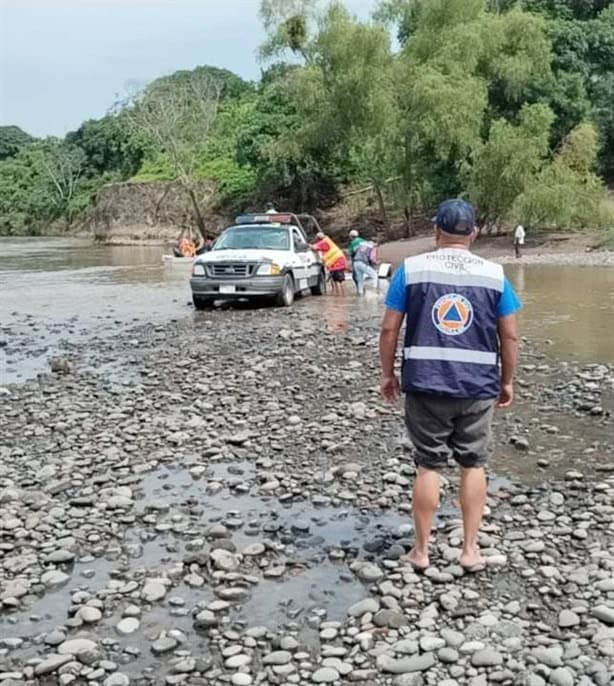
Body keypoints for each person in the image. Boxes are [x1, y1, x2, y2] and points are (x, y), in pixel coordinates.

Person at [379, 199, 521, 573]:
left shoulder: (411, 270)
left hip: (425, 383)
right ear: (473, 233)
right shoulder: (494, 274)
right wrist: (507, 380)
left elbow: (390, 327)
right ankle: (470, 550)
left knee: (429, 465)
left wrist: (387, 374)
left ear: (436, 231)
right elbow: (509, 336)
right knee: (473, 463)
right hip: (477, 386)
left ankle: (422, 551)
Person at [312, 231, 347, 295]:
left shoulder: (323, 242)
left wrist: (306, 245)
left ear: (318, 238)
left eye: (316, 238)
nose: (316, 239)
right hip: (338, 261)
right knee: (336, 279)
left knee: (338, 280)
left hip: (337, 262)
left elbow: (314, 247)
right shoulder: (327, 240)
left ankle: (340, 296)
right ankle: (338, 295)